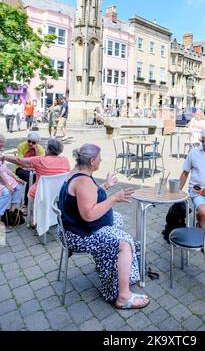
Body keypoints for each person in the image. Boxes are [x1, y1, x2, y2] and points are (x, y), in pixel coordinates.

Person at [58, 143, 149, 309]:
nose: (101, 160)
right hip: (79, 235)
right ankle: (123, 296)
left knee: (118, 219)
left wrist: (105, 186)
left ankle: (113, 269)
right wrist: (114, 198)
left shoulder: (77, 172)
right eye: (100, 157)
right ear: (93, 161)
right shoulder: (83, 181)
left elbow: (85, 196)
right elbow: (89, 215)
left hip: (73, 227)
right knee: (126, 242)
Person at [1, 138, 70, 204]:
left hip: (40, 193)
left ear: (47, 149)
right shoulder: (65, 160)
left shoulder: (40, 160)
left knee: (32, 190)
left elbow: (19, 161)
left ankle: (30, 209)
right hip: (58, 193)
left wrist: (4, 157)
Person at [0, 134, 26, 230]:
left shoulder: (1, 153)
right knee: (6, 192)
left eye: (2, 143)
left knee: (19, 186)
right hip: (1, 179)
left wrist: (16, 177)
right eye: (0, 143)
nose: (3, 145)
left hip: (3, 177)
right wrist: (7, 184)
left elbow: (5, 168)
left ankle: (11, 212)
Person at [15, 132, 45, 210]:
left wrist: (36, 150)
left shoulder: (41, 149)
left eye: (33, 142)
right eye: (29, 141)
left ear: (37, 143)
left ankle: (31, 202)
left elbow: (40, 162)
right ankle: (27, 203)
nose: (30, 143)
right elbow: (19, 162)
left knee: (35, 177)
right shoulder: (21, 146)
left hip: (33, 170)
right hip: (21, 169)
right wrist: (30, 167)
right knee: (31, 178)